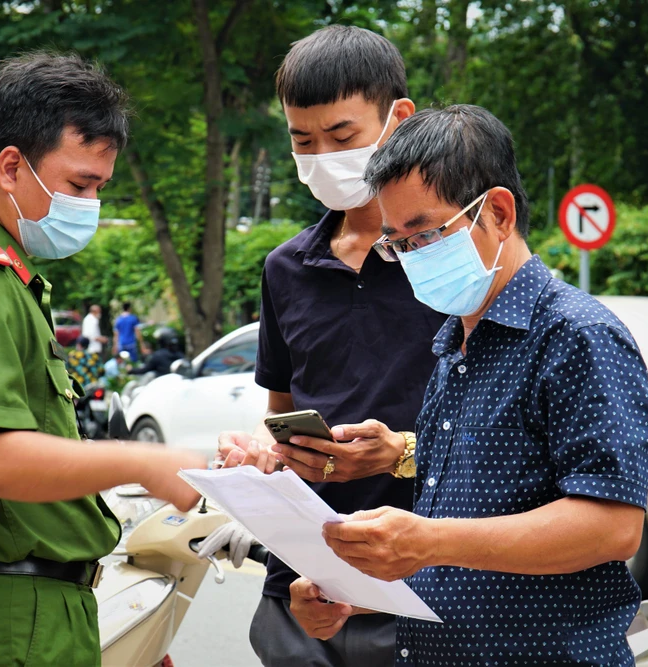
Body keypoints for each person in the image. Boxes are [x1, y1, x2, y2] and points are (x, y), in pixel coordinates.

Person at [289, 106, 648, 666]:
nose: (413, 258)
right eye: (397, 243)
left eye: (426, 233)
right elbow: (464, 542)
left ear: (499, 213)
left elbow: (612, 527)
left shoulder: (576, 335)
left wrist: (428, 541)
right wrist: (351, 592)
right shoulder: (453, 346)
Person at [0, 53, 206, 667]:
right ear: (11, 166)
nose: (90, 205)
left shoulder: (3, 275)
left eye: (99, 188)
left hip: (30, 611)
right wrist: (143, 460)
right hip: (7, 618)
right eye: (80, 186)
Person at [202, 26, 446, 667]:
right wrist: (263, 455)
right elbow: (282, 412)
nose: (323, 158)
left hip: (428, 586)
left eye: (341, 137)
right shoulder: (286, 268)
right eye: (303, 141)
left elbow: (501, 435)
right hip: (304, 586)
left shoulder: (451, 260)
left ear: (398, 119)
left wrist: (401, 454)